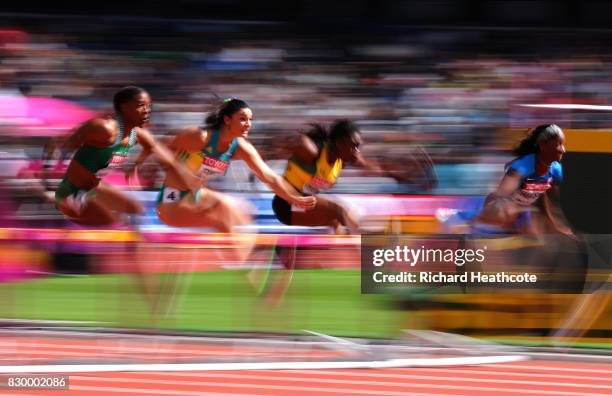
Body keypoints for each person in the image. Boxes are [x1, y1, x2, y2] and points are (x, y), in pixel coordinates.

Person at [156, 97, 315, 257]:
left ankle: (248, 262)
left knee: (243, 211)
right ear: (227, 120)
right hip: (171, 200)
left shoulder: (239, 147)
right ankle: (250, 261)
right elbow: (159, 146)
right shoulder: (199, 137)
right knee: (223, 209)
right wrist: (181, 173)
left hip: (195, 196)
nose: (248, 124)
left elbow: (269, 177)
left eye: (250, 120)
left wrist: (293, 198)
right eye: (243, 119)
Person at [55, 86, 188, 225]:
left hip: (94, 189)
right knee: (114, 223)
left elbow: (164, 158)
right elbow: (63, 145)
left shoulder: (136, 135)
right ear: (124, 108)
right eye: (141, 105)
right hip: (71, 193)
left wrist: (136, 166)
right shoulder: (104, 129)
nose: (147, 110)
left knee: (135, 210)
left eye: (149, 106)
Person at [473, 124, 572, 236]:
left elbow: (547, 199)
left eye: (563, 144)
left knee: (537, 223)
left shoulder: (556, 169)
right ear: (543, 145)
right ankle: (474, 224)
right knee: (512, 213)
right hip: (501, 209)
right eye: (558, 144)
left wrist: (557, 225)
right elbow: (501, 194)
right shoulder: (523, 166)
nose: (563, 150)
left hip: (523, 213)